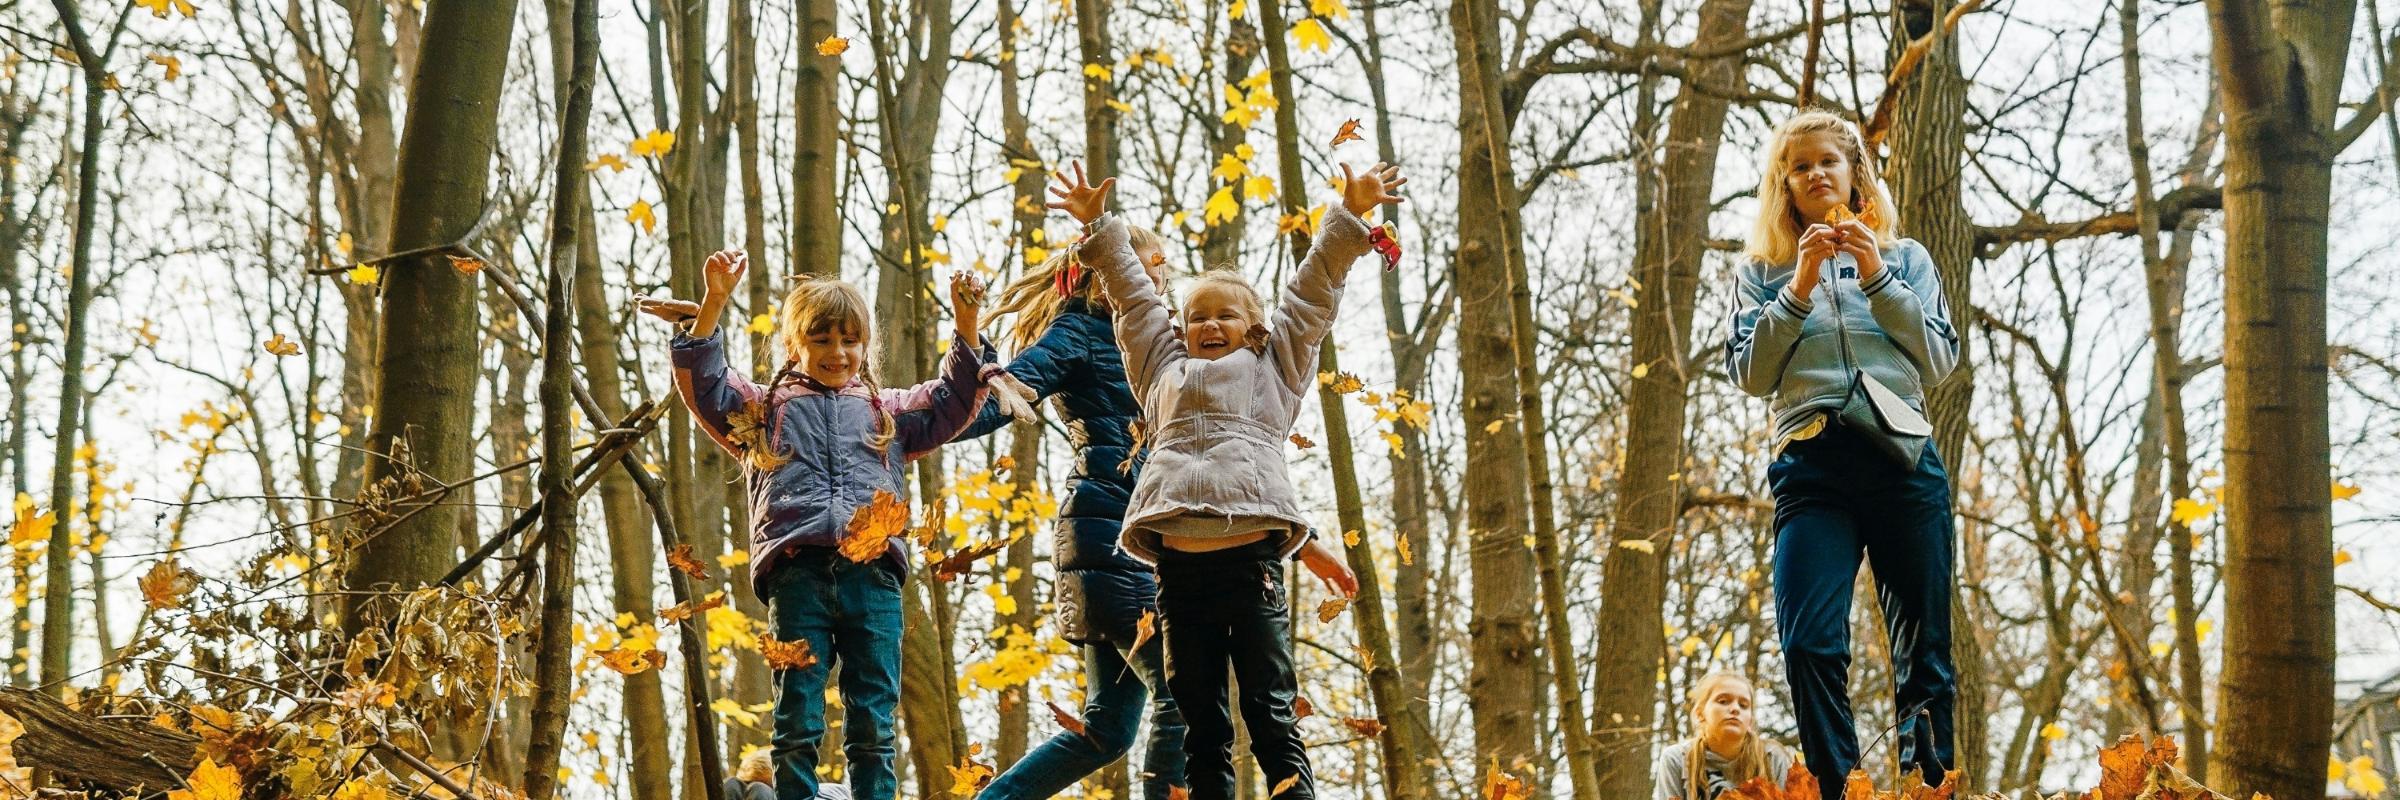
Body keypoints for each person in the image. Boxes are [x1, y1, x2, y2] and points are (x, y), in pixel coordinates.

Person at [1050, 159, 1400, 800]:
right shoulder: (1160, 370)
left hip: (1250, 567)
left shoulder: (1275, 369)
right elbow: (1133, 299)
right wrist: (1099, 228)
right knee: (1200, 724)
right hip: (1179, 575)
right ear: (1180, 329)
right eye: (1197, 317)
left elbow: (1312, 294)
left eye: (1226, 316)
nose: (1209, 325)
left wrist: (1349, 216)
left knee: (1269, 712)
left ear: (1255, 328)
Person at [641, 251, 1000, 800]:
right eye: (822, 339)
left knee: (873, 720)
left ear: (865, 346)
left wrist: (967, 324)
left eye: (851, 341)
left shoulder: (887, 413)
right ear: (795, 345)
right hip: (797, 574)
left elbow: (952, 401)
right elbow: (708, 386)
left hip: (873, 578)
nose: (838, 352)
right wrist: (714, 301)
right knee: (798, 717)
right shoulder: (765, 412)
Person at [1722, 110, 1962, 795]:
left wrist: (1876, 274)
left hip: (1901, 457)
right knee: (1809, 642)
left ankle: (1927, 786)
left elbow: (1939, 359)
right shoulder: (1761, 272)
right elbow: (1750, 374)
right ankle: (1841, 788)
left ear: (1855, 172)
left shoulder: (1906, 257)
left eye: (1828, 160)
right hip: (1811, 465)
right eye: (1799, 166)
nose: (1815, 174)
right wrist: (1799, 286)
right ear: (1784, 185)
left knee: (1924, 651)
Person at [954, 237, 1190, 798]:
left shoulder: (1155, 345)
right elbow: (1000, 397)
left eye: (1160, 269)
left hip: (1131, 542)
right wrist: (921, 423)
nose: (1158, 278)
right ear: (1104, 272)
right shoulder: (1081, 330)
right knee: (1185, 694)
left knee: (1106, 731)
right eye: (1145, 267)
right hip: (1113, 538)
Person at [1652, 671, 1798, 800]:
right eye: (1723, 701)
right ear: (1700, 713)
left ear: (1750, 721)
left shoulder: (1772, 758)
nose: (1735, 709)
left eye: (1743, 705)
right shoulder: (1677, 759)